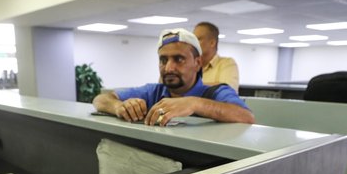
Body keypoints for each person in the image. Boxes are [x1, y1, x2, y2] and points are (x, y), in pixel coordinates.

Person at [93, 28, 254, 127]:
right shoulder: (153, 92)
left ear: (197, 63)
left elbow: (247, 117)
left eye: (179, 59)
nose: (169, 67)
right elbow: (100, 99)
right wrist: (118, 107)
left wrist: (194, 103)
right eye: (163, 60)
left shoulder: (216, 93)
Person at [193, 22, 240, 92]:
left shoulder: (227, 63)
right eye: (193, 39)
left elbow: (227, 90)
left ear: (212, 43)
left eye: (198, 39)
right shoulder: (191, 65)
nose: (194, 43)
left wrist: (191, 87)